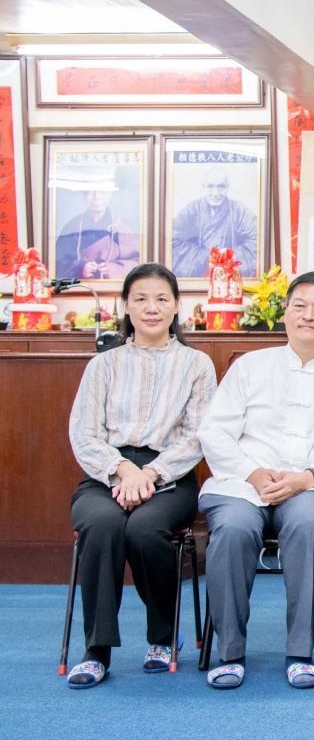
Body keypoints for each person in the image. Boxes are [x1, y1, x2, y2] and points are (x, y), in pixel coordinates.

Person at [197, 271, 314, 690]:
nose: (308, 316)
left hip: (312, 484)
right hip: (243, 481)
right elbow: (215, 430)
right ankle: (230, 652)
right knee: (234, 529)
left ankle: (300, 651)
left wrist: (309, 477)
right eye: (299, 305)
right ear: (285, 313)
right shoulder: (249, 367)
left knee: (308, 526)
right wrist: (253, 472)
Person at [63, 263, 217, 688]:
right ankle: (96, 650)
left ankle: (163, 636)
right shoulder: (104, 365)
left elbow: (197, 437)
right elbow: (83, 432)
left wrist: (149, 473)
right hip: (106, 472)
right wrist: (122, 470)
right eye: (141, 299)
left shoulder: (197, 365)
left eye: (162, 299)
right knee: (101, 524)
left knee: (147, 530)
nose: (152, 308)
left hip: (170, 475)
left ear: (176, 307)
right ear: (126, 306)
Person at [171, 168, 258, 279]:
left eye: (221, 187)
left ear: (227, 187)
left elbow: (255, 242)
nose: (215, 193)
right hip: (199, 278)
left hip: (230, 278)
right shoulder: (191, 210)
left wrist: (228, 257)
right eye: (210, 187)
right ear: (203, 187)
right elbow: (175, 241)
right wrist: (208, 257)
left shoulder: (240, 210)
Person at [55, 182, 140, 280]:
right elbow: (57, 263)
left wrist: (112, 269)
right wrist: (80, 267)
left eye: (102, 191)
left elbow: (137, 264)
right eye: (91, 191)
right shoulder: (72, 226)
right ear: (83, 193)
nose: (96, 197)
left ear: (110, 193)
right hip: (80, 290)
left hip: (112, 292)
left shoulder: (122, 227)